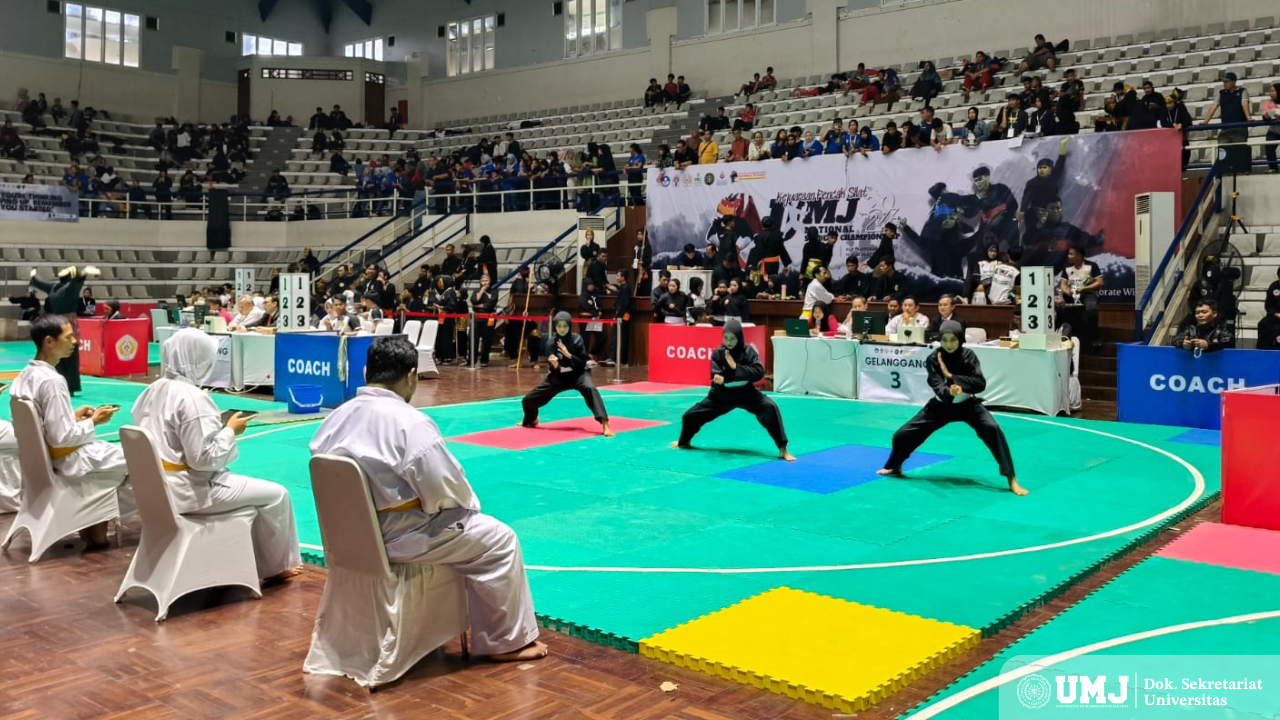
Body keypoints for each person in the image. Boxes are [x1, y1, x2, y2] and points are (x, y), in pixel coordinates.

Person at [310, 336, 546, 662]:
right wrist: (467, 508)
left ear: (366, 371)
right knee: (500, 540)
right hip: (401, 537)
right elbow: (448, 491)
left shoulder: (335, 418)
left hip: (347, 538)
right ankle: (504, 642)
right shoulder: (409, 423)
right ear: (411, 375)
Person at [131, 330, 301, 581]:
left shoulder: (151, 390)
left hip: (154, 488)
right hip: (191, 490)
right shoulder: (193, 398)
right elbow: (203, 459)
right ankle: (276, 567)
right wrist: (231, 431)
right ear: (198, 358)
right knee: (277, 495)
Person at [9, 315, 133, 546]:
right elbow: (61, 438)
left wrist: (71, 417)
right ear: (49, 342)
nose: (75, 341)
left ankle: (94, 521)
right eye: (68, 337)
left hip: (38, 459)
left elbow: (41, 425)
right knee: (137, 460)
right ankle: (96, 520)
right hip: (66, 459)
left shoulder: (24, 375)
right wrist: (94, 421)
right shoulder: (52, 381)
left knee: (113, 458)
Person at [878, 321, 1027, 495]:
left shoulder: (968, 356)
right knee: (902, 434)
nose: (949, 344)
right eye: (945, 340)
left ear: (960, 339)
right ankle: (896, 465)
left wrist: (955, 379)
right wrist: (949, 392)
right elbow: (936, 384)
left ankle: (1011, 479)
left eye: (953, 340)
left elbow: (980, 383)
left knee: (992, 428)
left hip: (968, 405)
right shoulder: (933, 358)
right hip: (941, 405)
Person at [671, 320, 794, 461]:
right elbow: (717, 375)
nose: (729, 341)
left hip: (747, 394)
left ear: (739, 337)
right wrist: (724, 378)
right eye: (726, 338)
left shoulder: (748, 352)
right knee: (690, 416)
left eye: (732, 338)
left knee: (770, 407)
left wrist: (735, 367)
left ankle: (783, 449)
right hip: (721, 397)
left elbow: (759, 372)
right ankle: (684, 442)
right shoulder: (718, 354)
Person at [519, 312, 613, 436]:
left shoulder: (577, 339)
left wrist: (568, 354)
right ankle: (531, 419)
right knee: (527, 400)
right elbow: (553, 370)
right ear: (556, 326)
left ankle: (605, 424)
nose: (562, 329)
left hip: (578, 375)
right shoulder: (551, 342)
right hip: (559, 377)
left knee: (590, 388)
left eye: (565, 326)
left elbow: (582, 363)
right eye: (559, 326)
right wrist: (555, 365)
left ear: (569, 326)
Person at [29, 265, 99, 394]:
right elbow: (77, 280)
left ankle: (60, 383)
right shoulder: (70, 288)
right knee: (71, 356)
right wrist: (83, 273)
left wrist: (34, 275)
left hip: (55, 324)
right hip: (68, 324)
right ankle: (70, 386)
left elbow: (39, 281)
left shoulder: (53, 286)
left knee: (57, 355)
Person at [1058, 246, 1104, 346]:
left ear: (1079, 256)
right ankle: (1064, 335)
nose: (1068, 256)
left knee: (1091, 309)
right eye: (1068, 254)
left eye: (1071, 254)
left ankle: (1095, 338)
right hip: (1071, 294)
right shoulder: (1067, 267)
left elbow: (1100, 282)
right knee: (1059, 307)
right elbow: (1063, 284)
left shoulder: (1092, 266)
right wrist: (1066, 291)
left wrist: (1084, 289)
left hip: (1088, 293)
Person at [1257, 267, 1280, 351]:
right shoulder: (1274, 286)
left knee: (1277, 328)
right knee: (1262, 324)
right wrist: (1276, 314)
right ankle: (1262, 349)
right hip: (1275, 315)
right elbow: (1268, 305)